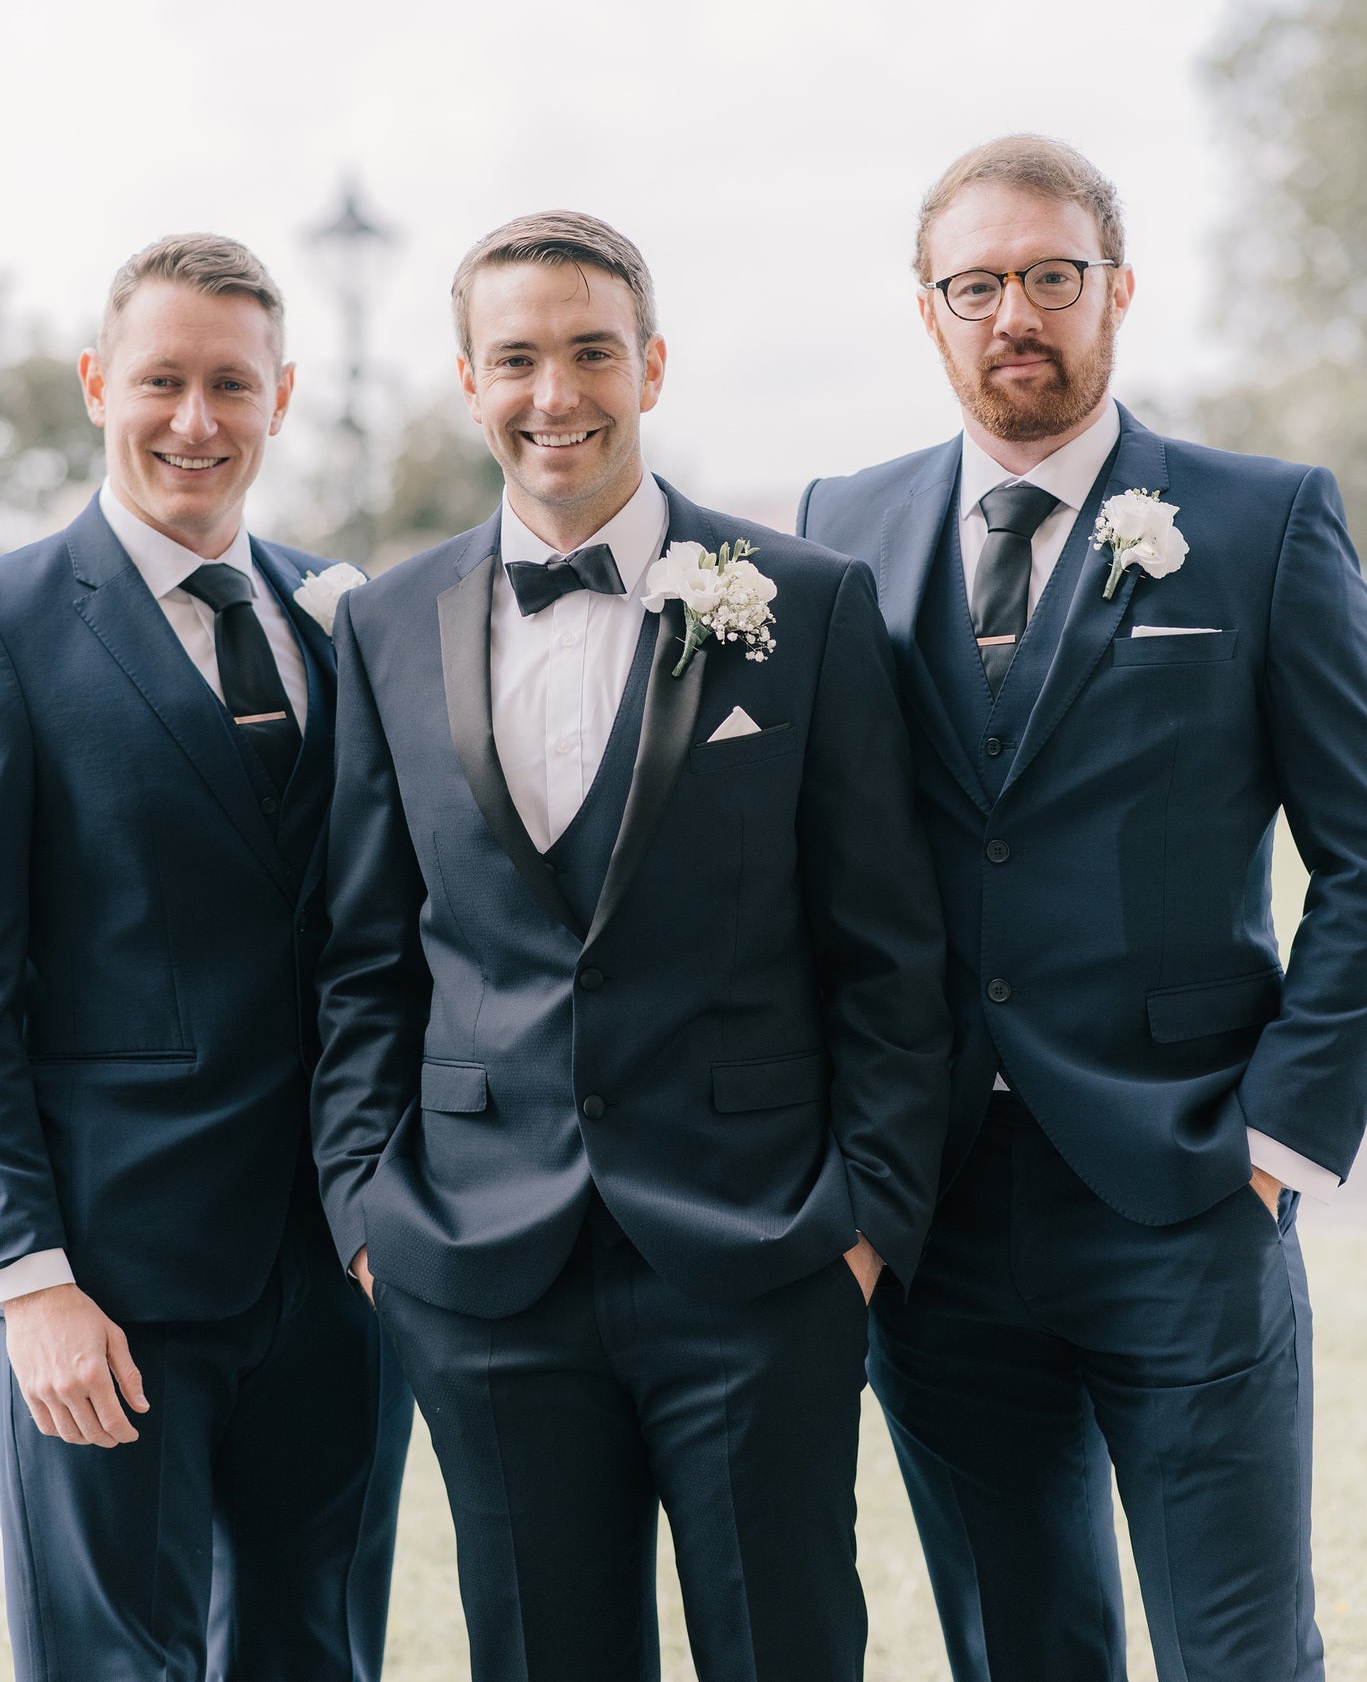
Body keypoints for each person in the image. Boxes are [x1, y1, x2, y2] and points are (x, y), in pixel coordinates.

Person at [309, 209, 950, 1682]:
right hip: (479, 1269)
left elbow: (889, 954)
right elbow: (358, 961)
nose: (557, 395)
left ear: (650, 365)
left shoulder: (805, 601)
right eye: (517, 359)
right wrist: (368, 1219)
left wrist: (856, 1230)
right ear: (468, 383)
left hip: (762, 1260)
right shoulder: (386, 627)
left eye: (592, 351)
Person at [798, 134, 1367, 1682]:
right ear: (927, 311)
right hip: (935, 1214)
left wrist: (1278, 1142)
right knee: (1018, 1654)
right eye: (974, 284)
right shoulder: (837, 529)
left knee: (1243, 1655)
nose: (1014, 314)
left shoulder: (1264, 523)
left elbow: (1365, 853)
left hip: (1188, 1191)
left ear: (1117, 291)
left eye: (1050, 276)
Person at [0, 235, 412, 1682]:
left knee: (320, 1656)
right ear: (100, 382)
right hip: (114, 1283)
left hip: (349, 1275)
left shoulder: (349, 618)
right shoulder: (10, 623)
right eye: (162, 380)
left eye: (230, 384)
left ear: (282, 395)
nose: (195, 420)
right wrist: (25, 1273)